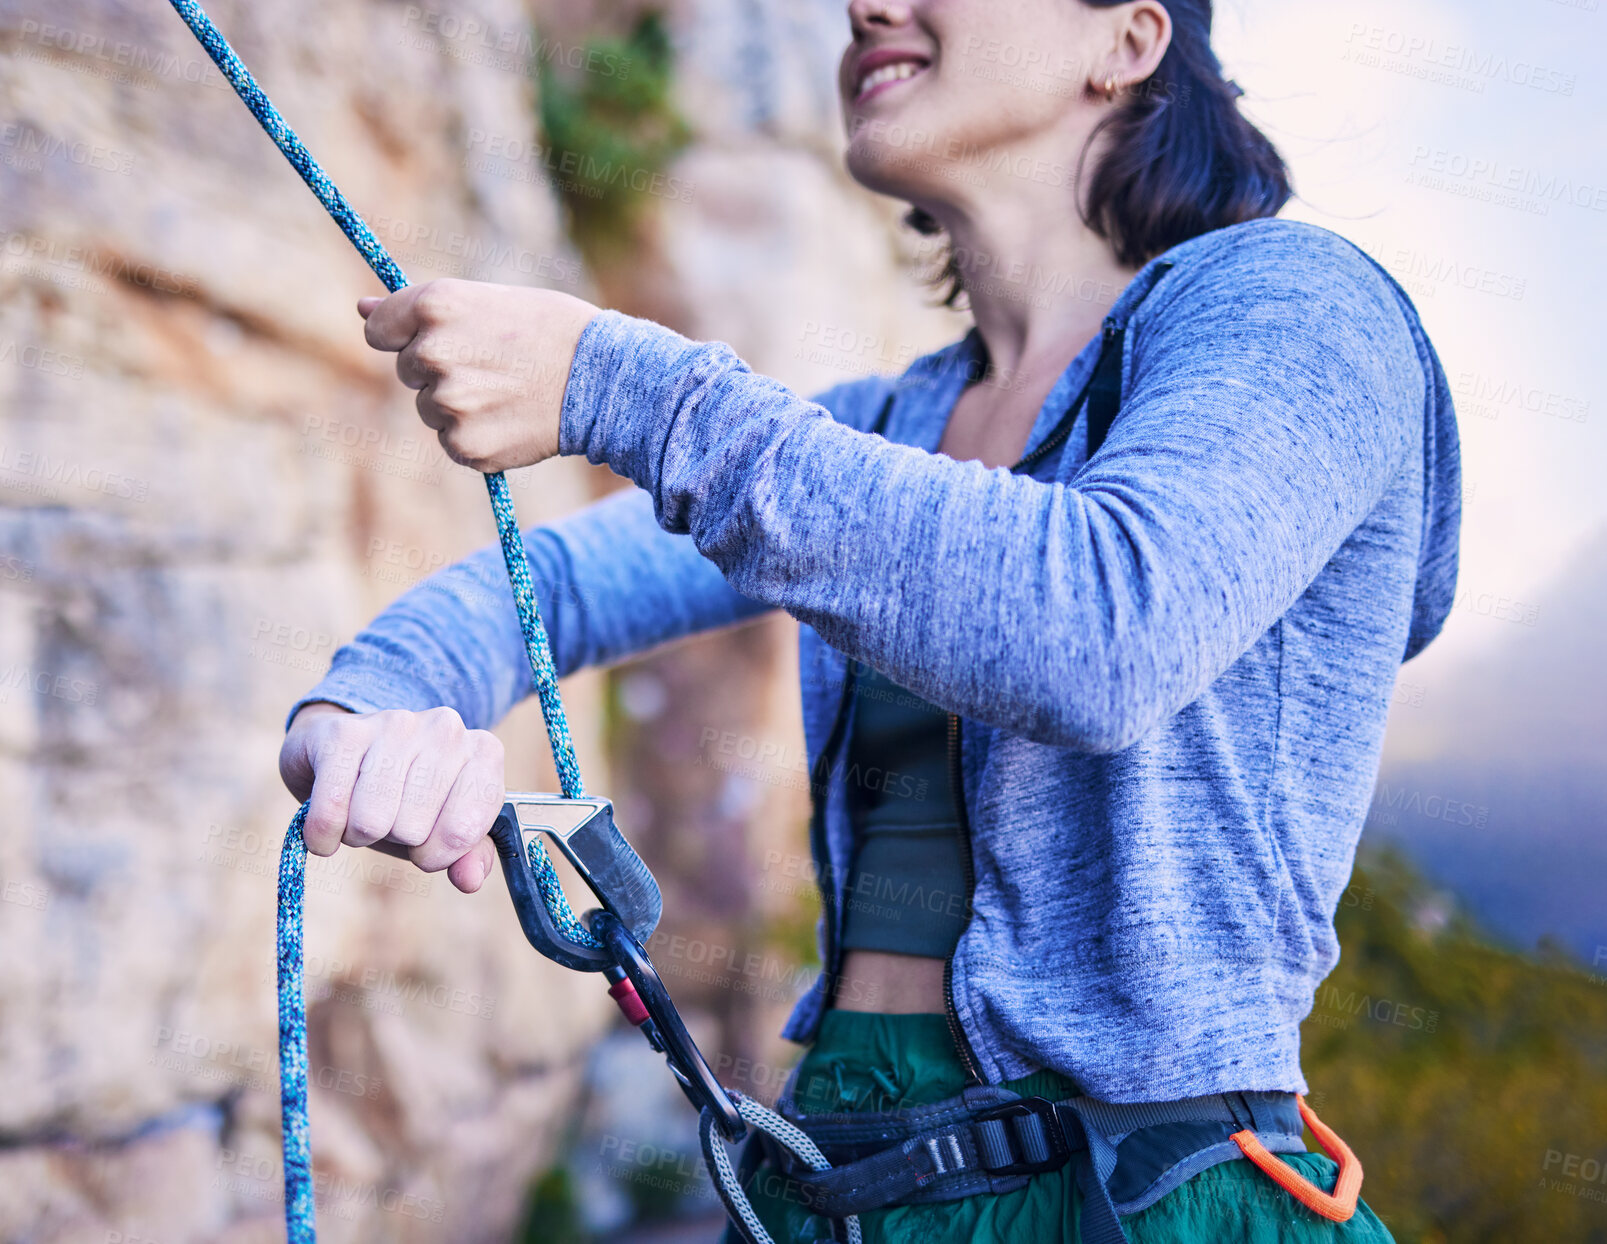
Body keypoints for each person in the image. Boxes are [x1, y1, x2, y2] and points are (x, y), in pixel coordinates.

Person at [280, 0, 1461, 1239]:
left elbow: (1103, 631)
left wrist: (620, 385)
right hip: (826, 1166)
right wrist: (365, 708)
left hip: (1142, 1195)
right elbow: (551, 587)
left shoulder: (1298, 304)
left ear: (1126, 39)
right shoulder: (888, 425)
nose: (865, 4)